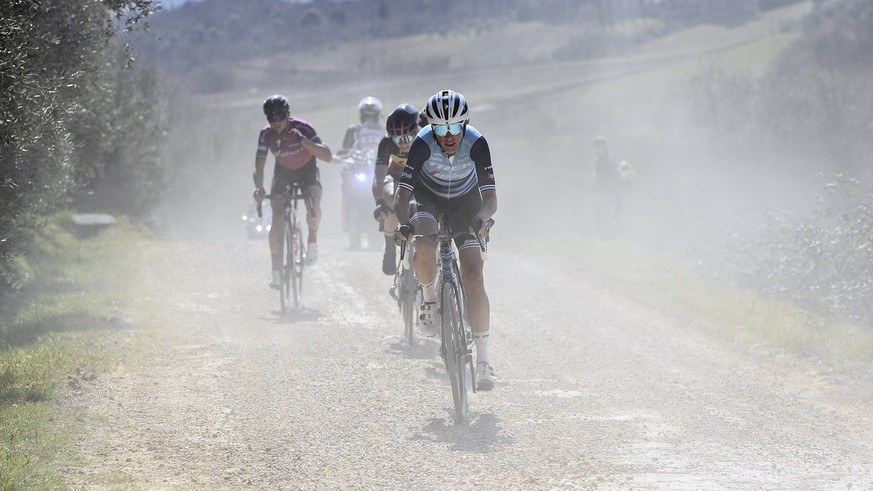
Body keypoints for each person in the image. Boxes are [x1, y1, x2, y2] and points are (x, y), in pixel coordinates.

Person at [392, 89, 498, 391]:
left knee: (474, 277)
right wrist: (405, 225)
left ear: (464, 125)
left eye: (454, 128)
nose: (448, 135)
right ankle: (429, 298)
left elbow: (490, 199)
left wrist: (481, 219)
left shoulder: (476, 143)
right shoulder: (422, 143)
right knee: (424, 246)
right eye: (440, 128)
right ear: (431, 127)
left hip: (466, 201)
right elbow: (402, 196)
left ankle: (484, 360)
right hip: (429, 199)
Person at [253, 95, 333, 288]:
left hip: (307, 169)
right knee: (278, 216)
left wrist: (302, 140)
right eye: (272, 118)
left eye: (280, 117)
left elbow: (327, 156)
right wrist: (259, 187)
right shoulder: (266, 135)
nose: (276, 122)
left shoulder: (304, 128)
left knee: (313, 202)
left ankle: (312, 241)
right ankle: (275, 271)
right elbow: (259, 165)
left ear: (288, 115)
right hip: (283, 172)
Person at [372, 103, 424, 275]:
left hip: (422, 176)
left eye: (407, 139)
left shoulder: (426, 135)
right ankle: (389, 248)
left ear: (416, 131)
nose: (402, 144)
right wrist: (380, 202)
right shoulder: (386, 143)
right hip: (396, 175)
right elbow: (379, 177)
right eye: (397, 140)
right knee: (391, 198)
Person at [337, 96, 384, 238]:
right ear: (361, 115)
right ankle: (346, 219)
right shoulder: (353, 130)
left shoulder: (384, 131)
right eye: (366, 115)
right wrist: (345, 154)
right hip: (358, 167)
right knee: (346, 181)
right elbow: (345, 149)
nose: (369, 119)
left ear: (378, 116)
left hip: (374, 167)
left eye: (372, 115)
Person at [591, 135, 635, 239]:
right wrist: (593, 189)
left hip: (608, 193)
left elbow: (613, 176)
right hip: (601, 192)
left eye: (600, 146)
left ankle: (611, 238)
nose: (598, 149)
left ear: (605, 147)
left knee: (607, 216)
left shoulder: (607, 160)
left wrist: (616, 188)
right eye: (596, 147)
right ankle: (604, 238)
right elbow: (598, 177)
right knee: (600, 216)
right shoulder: (600, 160)